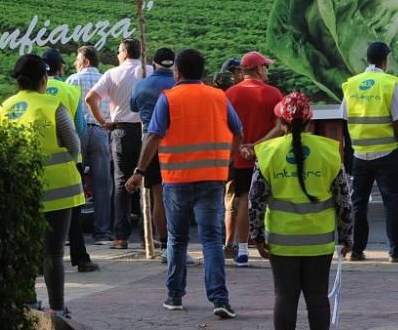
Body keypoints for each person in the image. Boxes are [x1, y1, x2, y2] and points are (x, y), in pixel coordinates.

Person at [125, 48, 241, 319]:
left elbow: (153, 136)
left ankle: (174, 296)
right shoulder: (218, 97)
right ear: (202, 71)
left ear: (177, 71)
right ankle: (220, 299)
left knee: (177, 239)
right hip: (212, 178)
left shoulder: (169, 99)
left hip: (176, 180)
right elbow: (238, 132)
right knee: (212, 239)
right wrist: (226, 160)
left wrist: (140, 170)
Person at [250, 92, 352, 330]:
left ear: (281, 122)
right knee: (317, 298)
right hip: (320, 240)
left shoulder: (267, 153)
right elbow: (344, 200)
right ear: (309, 121)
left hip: (281, 240)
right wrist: (347, 236)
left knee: (285, 296)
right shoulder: (329, 151)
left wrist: (256, 236)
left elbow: (256, 200)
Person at [0, 54, 84, 319]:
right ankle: (57, 308)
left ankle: (29, 303)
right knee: (53, 252)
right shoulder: (52, 104)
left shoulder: (5, 108)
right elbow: (74, 144)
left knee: (26, 249)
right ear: (44, 79)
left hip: (22, 189)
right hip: (59, 190)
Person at [342, 41, 398, 262]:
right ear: (386, 59)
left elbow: (344, 119)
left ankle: (356, 250)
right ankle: (396, 251)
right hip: (386, 152)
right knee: (392, 201)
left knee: (358, 203)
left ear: (368, 59)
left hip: (360, 154)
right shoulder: (389, 83)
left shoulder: (352, 84)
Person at [85, 38, 150, 249]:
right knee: (147, 182)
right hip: (148, 132)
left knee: (121, 183)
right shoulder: (149, 71)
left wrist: (104, 122)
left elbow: (90, 98)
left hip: (121, 130)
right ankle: (148, 235)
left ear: (123, 52)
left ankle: (121, 237)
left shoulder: (112, 74)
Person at [41, 48, 98, 273]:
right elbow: (80, 129)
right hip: (69, 161)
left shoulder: (25, 97)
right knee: (73, 211)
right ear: (61, 67)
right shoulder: (69, 91)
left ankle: (37, 262)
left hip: (35, 162)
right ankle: (81, 258)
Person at [225, 50, 284, 267]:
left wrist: (242, 147)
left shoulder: (230, 94)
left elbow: (225, 128)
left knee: (242, 201)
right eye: (266, 67)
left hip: (241, 159)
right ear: (259, 69)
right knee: (271, 201)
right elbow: (280, 127)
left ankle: (242, 251)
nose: (268, 71)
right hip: (268, 157)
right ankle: (273, 245)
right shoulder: (273, 94)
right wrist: (258, 146)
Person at [129, 47, 178, 257]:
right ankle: (178, 244)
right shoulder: (178, 85)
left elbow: (133, 107)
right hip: (177, 145)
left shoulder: (142, 85)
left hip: (149, 144)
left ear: (154, 63)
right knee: (177, 197)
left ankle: (166, 245)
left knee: (158, 196)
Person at [66, 45, 113, 245]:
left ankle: (71, 233)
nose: (75, 63)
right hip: (101, 131)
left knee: (74, 182)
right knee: (103, 184)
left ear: (85, 61)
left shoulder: (72, 81)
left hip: (78, 132)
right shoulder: (106, 80)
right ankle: (102, 234)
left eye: (77, 59)